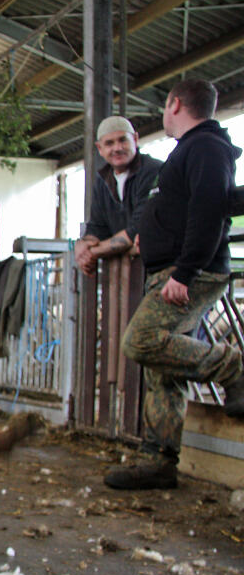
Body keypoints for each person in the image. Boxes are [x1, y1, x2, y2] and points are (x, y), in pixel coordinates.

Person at [105, 79, 244, 491]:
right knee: (162, 368)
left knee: (141, 340)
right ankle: (159, 460)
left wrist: (184, 271)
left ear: (175, 104)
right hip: (171, 267)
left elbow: (210, 209)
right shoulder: (191, 150)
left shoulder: (205, 147)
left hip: (188, 272)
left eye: (164, 108)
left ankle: (232, 365)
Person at [74, 115, 163, 275]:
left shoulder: (153, 171)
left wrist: (92, 253)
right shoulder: (102, 181)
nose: (117, 148)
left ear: (135, 139)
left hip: (159, 270)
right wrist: (82, 246)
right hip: (126, 275)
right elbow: (97, 227)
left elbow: (139, 228)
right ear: (99, 148)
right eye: (109, 143)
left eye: (123, 140)